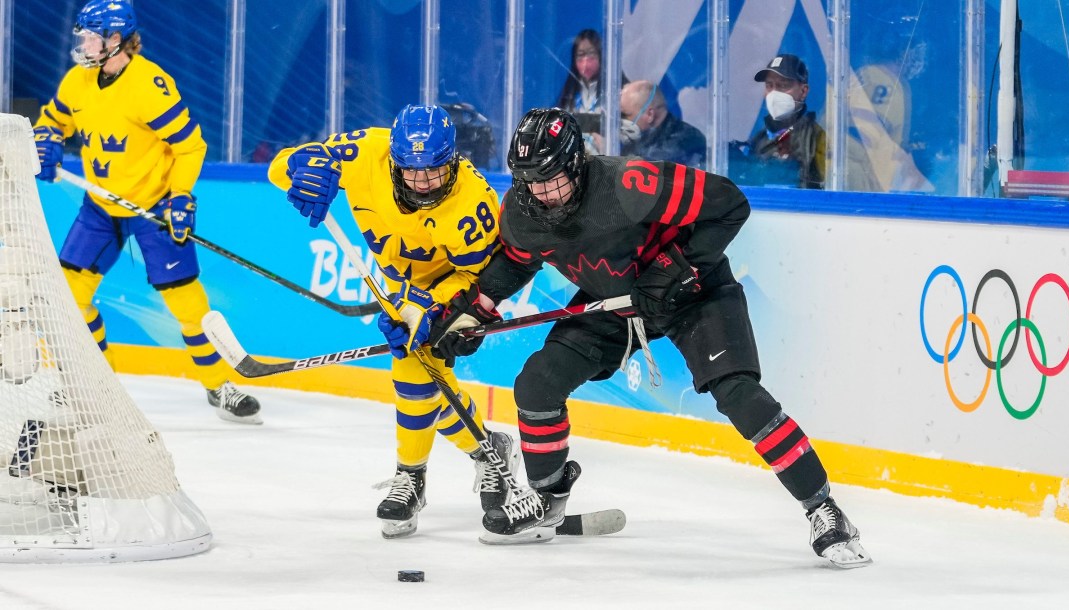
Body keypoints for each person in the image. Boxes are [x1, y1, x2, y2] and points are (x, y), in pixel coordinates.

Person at [432, 108, 871, 568]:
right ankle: (547, 499)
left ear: (577, 163)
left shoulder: (628, 185)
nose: (540, 191)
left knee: (739, 394)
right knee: (537, 383)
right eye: (528, 180)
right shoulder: (524, 212)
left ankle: (825, 510)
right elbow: (519, 259)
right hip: (615, 303)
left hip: (694, 292)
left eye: (550, 177)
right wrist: (475, 311)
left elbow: (728, 204)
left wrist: (671, 270)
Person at [267, 104, 518, 539]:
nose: (422, 183)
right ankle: (487, 449)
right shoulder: (367, 152)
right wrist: (298, 168)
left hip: (449, 292)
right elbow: (280, 166)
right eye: (412, 172)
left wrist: (429, 309)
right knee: (423, 378)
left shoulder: (472, 203)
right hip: (395, 285)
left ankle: (412, 478)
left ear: (452, 160)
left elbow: (477, 276)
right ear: (395, 161)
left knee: (415, 375)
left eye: (434, 171)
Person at [32, 0, 261, 424]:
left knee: (188, 305)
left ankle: (218, 385)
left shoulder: (149, 85)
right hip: (100, 206)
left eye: (89, 36)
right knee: (69, 297)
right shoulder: (77, 81)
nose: (81, 43)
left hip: (151, 206)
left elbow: (190, 146)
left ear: (115, 41)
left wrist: (180, 197)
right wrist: (44, 140)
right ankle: (94, 381)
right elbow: (52, 121)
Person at [740, 54, 826, 189]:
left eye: (783, 85)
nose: (774, 94)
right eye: (769, 86)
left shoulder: (816, 137)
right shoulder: (759, 140)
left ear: (803, 91)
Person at [554, 28, 627, 154]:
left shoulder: (617, 91)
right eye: (581, 55)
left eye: (591, 54)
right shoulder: (569, 94)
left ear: (601, 55)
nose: (586, 62)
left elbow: (629, 133)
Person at [618, 80, 707, 168]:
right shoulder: (644, 137)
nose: (621, 121)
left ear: (650, 115)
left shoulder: (684, 140)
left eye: (625, 115)